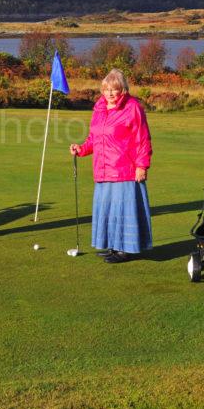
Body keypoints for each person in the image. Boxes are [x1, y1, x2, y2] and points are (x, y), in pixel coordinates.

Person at [70, 69, 153, 263]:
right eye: (106, 89)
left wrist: (142, 165)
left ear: (122, 89)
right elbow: (94, 138)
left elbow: (143, 139)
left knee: (123, 210)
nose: (110, 93)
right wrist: (81, 149)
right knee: (108, 210)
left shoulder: (133, 108)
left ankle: (125, 249)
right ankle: (113, 247)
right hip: (103, 169)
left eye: (114, 89)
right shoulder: (99, 109)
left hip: (125, 169)